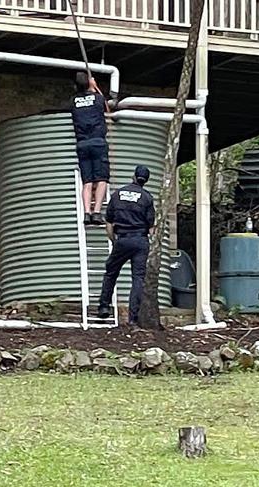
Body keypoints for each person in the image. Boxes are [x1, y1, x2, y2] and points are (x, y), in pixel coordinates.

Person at [98, 165, 155, 325]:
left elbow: (108, 223)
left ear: (134, 176)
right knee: (138, 278)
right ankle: (132, 319)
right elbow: (151, 229)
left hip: (123, 239)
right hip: (140, 240)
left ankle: (104, 307)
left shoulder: (118, 194)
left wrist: (115, 241)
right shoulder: (147, 198)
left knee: (111, 271)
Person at [70, 71, 109, 226]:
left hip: (82, 144)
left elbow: (85, 99)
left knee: (87, 182)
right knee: (101, 179)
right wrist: (94, 87)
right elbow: (104, 106)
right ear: (90, 83)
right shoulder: (99, 99)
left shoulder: (73, 101)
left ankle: (87, 213)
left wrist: (88, 87)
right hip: (98, 142)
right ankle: (97, 212)